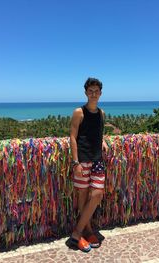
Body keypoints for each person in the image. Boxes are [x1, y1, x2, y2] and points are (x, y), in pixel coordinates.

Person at [68, 77, 108, 252]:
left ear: (100, 93)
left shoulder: (101, 113)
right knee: (83, 197)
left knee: (97, 194)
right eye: (90, 91)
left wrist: (103, 140)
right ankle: (88, 230)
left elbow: (98, 132)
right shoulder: (79, 112)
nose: (93, 94)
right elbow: (72, 137)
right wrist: (75, 162)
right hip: (82, 160)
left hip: (97, 159)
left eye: (96, 91)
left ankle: (76, 234)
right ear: (86, 93)